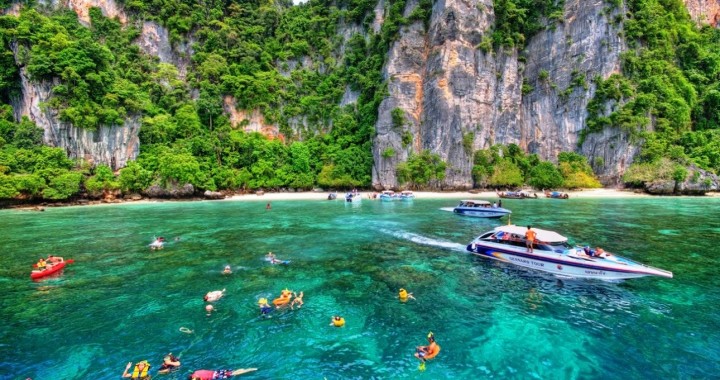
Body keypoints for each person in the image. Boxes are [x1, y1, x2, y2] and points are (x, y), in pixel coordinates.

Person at [188, 368, 257, 380]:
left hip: (216, 375)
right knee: (232, 372)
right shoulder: (197, 372)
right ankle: (243, 369)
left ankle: (250, 369)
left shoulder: (195, 378)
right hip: (216, 372)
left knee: (234, 374)